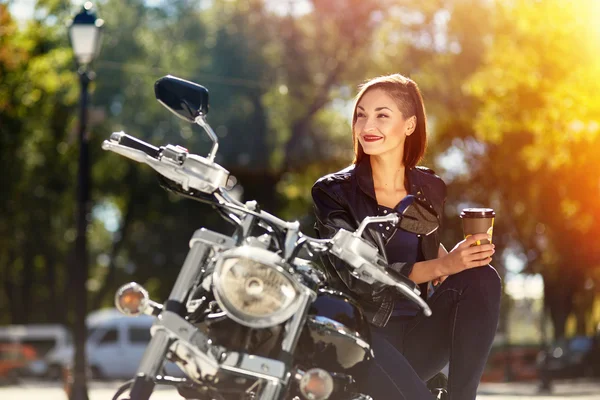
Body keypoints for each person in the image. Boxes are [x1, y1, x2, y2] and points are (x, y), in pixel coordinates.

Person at [311, 73, 501, 400]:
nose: (367, 124)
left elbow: (422, 243)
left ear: (409, 126)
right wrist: (445, 266)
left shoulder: (430, 187)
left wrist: (456, 259)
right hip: (362, 337)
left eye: (382, 115)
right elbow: (357, 274)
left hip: (416, 334)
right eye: (361, 114)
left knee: (483, 278)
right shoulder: (333, 192)